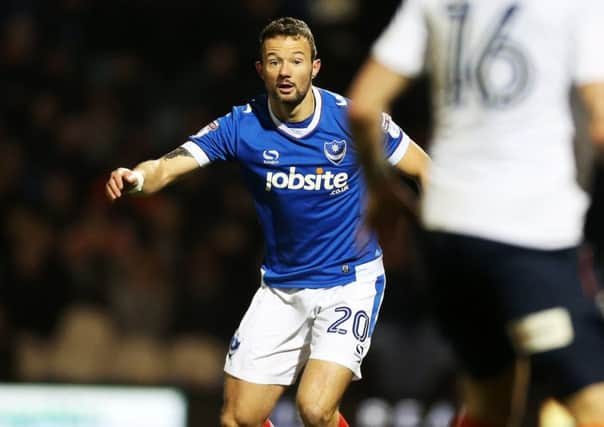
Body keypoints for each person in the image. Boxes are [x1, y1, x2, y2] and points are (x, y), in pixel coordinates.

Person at [105, 17, 429, 427]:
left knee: (314, 409)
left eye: (296, 60)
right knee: (238, 418)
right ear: (261, 70)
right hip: (281, 287)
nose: (285, 71)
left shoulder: (351, 120)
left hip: (348, 282)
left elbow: (424, 169)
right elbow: (166, 167)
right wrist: (136, 179)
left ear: (315, 67)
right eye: (274, 61)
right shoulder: (242, 125)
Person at [347, 1, 604, 427]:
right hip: (529, 237)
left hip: (447, 236)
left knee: (490, 408)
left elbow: (362, 107)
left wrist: (381, 189)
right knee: (593, 409)